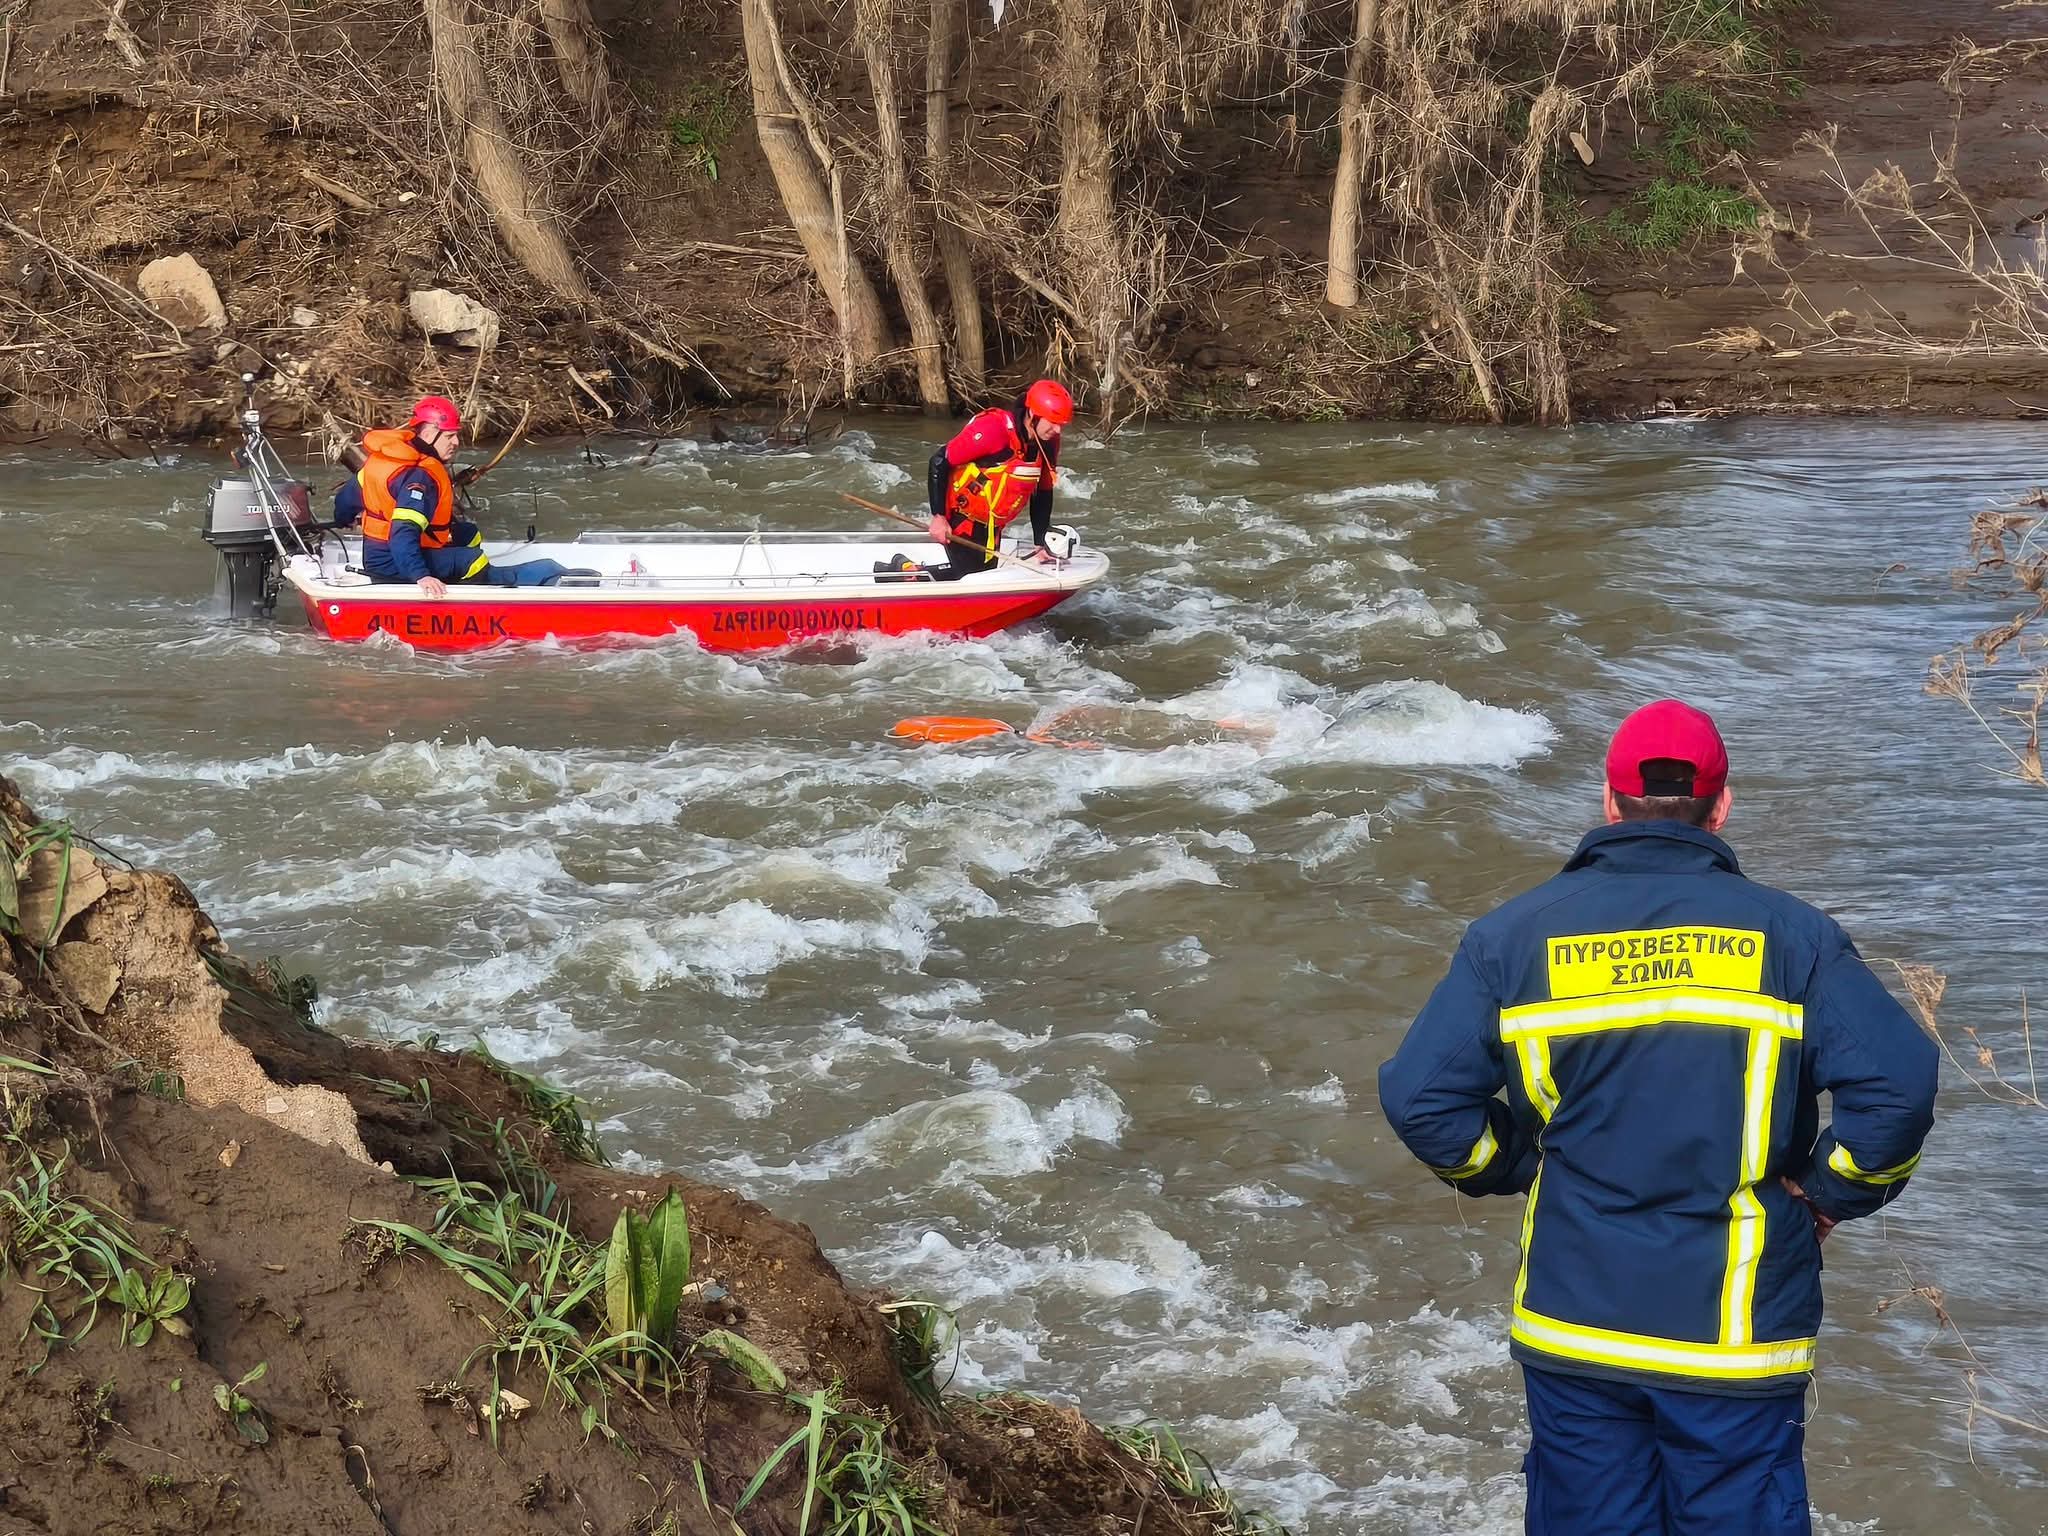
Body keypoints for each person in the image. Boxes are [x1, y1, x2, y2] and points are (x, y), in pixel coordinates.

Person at [1376, 700, 1938, 1536]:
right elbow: (1899, 1090)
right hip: (1736, 1327)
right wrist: (1828, 1193)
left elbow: (1421, 1097)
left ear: (1609, 802)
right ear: (1721, 807)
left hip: (1577, 1322)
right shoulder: (1795, 938)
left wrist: (1519, 1170)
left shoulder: (1512, 937)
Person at [340, 396, 566, 591]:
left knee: (468, 533)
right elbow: (403, 531)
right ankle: (475, 595)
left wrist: (342, 519)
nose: (456, 442)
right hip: (392, 561)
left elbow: (345, 501)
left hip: (386, 552)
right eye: (449, 437)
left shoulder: (385, 460)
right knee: (473, 560)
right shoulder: (420, 476)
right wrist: (421, 575)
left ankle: (458, 573)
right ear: (428, 433)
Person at [913, 379, 1074, 580]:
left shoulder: (1049, 441)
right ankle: (905, 571)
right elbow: (939, 461)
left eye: (1061, 424)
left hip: (992, 527)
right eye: (1053, 422)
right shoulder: (993, 430)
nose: (1058, 430)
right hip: (962, 519)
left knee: (984, 575)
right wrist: (939, 517)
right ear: (1032, 414)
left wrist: (1040, 542)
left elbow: (1043, 491)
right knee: (966, 580)